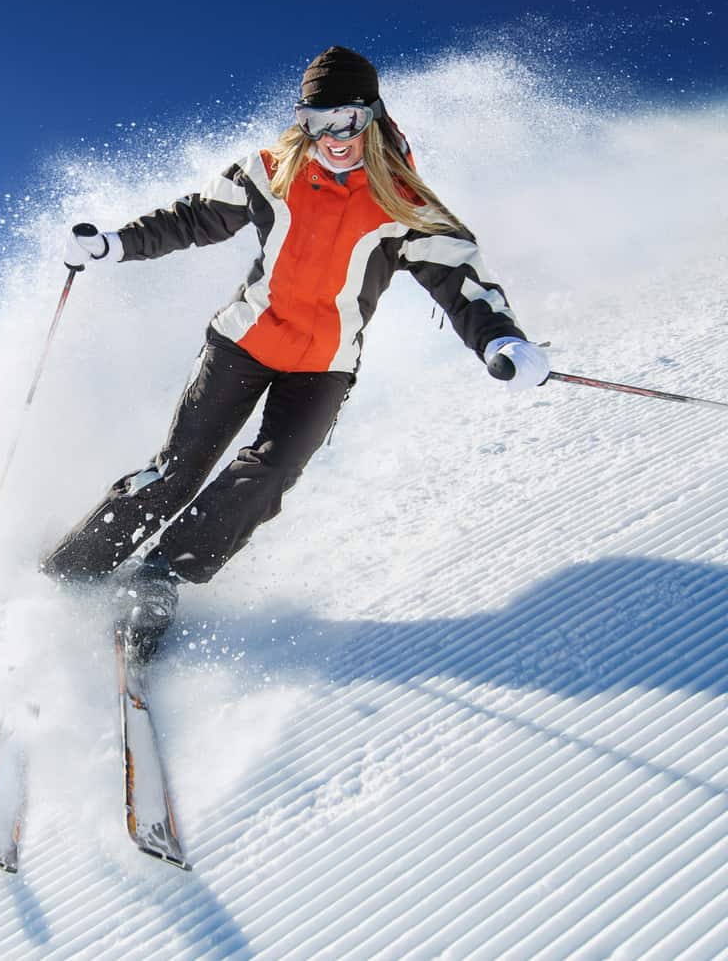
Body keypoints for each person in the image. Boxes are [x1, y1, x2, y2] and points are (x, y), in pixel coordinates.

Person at [43, 46, 549, 662]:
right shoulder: (271, 170)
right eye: (316, 121)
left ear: (375, 115)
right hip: (245, 342)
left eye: (348, 120)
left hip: (324, 367)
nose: (332, 136)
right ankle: (74, 570)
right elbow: (194, 219)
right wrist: (115, 245)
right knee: (180, 468)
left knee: (270, 474)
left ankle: (158, 581)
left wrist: (501, 339)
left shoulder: (406, 205)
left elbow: (461, 280)